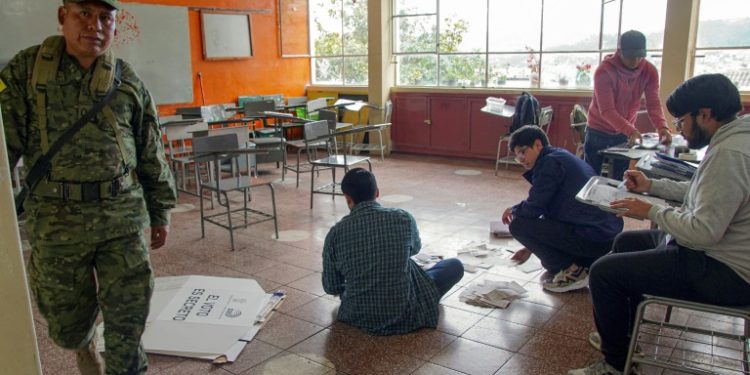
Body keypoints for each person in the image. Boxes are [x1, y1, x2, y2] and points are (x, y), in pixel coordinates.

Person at [1, 0, 176, 373]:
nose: (94, 25)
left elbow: (150, 150)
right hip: (56, 223)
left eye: (105, 17)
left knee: (128, 317)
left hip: (121, 219)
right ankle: (82, 345)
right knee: (65, 323)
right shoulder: (26, 73)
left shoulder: (127, 80)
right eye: (84, 13)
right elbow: (4, 150)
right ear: (63, 17)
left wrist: (160, 211)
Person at [569, 74, 750, 375]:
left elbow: (704, 232)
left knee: (603, 273)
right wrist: (651, 185)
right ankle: (623, 336)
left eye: (681, 121)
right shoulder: (735, 135)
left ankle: (615, 365)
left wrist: (650, 210)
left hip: (725, 273)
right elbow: (701, 190)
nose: (680, 129)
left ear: (704, 114)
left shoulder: (729, 154)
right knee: (626, 243)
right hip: (718, 254)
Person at [322, 168, 464, 335]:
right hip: (405, 311)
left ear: (347, 198)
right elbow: (415, 249)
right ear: (377, 192)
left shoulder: (335, 234)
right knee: (454, 266)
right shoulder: (402, 218)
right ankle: (427, 297)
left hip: (356, 315)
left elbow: (331, 287)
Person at [502, 126, 623, 293]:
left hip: (593, 237)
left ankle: (573, 272)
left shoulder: (548, 164)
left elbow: (534, 209)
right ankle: (580, 265)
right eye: (517, 157)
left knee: (518, 225)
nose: (521, 159)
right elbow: (550, 208)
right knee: (548, 262)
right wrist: (530, 247)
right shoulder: (561, 155)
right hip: (605, 235)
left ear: (538, 145)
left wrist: (514, 210)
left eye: (523, 152)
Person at [584, 30, 672, 180]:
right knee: (589, 177)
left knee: (618, 179)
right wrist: (631, 130)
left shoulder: (649, 71)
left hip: (623, 135)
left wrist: (662, 127)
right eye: (631, 56)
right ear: (620, 52)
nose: (636, 61)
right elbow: (607, 110)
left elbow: (653, 104)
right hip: (597, 131)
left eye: (640, 56)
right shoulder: (604, 71)